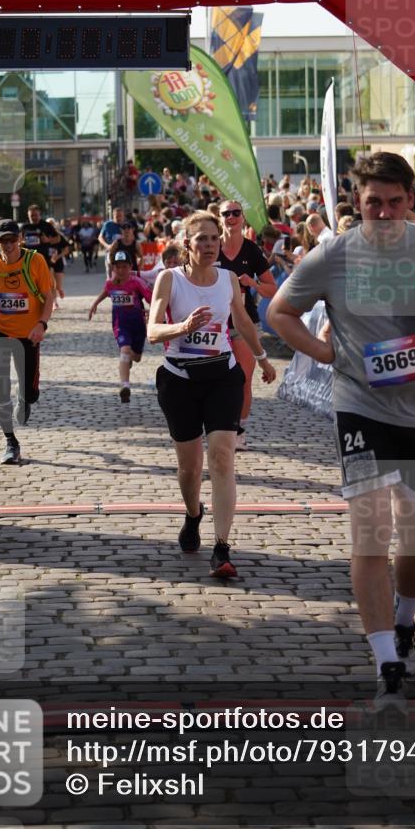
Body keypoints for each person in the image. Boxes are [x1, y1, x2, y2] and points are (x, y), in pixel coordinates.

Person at [267, 151, 415, 706]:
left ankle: (404, 619)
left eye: (394, 201)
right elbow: (278, 312)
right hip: (360, 408)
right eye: (372, 201)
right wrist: (326, 352)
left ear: (410, 201)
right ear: (358, 201)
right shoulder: (334, 254)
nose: (382, 212)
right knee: (372, 530)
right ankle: (386, 662)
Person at [148, 211, 276, 578]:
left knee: (222, 457)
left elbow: (242, 319)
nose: (208, 245)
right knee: (189, 469)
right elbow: (153, 330)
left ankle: (221, 547)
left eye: (213, 238)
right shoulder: (169, 280)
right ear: (186, 244)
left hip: (223, 376)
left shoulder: (228, 279)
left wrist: (263, 358)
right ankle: (192, 514)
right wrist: (183, 327)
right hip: (179, 381)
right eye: (200, 239)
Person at [0, 219, 54, 465]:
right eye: (3, 240)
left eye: (12, 239)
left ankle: (26, 398)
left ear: (19, 239)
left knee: (29, 392)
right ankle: (11, 442)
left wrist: (41, 324)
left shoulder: (35, 261)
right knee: (0, 387)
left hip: (28, 334)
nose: (7, 245)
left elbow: (48, 296)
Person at [217, 201, 277, 451]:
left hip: (244, 322)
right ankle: (217, 427)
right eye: (226, 213)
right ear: (219, 218)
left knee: (243, 379)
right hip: (215, 322)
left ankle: (239, 430)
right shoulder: (210, 248)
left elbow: (272, 289)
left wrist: (251, 283)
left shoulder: (252, 251)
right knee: (217, 380)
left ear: (243, 217)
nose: (231, 217)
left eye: (236, 213)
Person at [88, 249, 153, 402]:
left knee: (136, 357)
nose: (121, 270)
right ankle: (125, 386)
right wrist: (94, 304)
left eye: (124, 267)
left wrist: (156, 312)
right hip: (120, 324)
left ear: (130, 267)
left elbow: (151, 298)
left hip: (138, 325)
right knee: (124, 350)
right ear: (113, 268)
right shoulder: (110, 283)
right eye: (117, 267)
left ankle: (129, 358)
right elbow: (106, 291)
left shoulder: (136, 282)